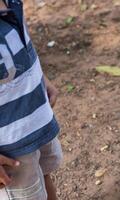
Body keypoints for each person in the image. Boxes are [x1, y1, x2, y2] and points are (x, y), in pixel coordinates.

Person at [0, 0, 62, 199]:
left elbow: (16, 43)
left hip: (36, 122)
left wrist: (39, 76)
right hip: (10, 150)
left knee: (44, 176)